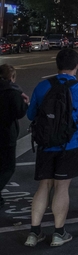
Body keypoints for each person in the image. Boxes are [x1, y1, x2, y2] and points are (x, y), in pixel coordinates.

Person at [25, 49, 78, 247]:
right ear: (77, 65)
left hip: (45, 144)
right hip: (70, 144)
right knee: (62, 187)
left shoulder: (42, 86)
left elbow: (31, 115)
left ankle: (34, 232)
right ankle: (58, 232)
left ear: (57, 64)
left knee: (44, 185)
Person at [0, 65, 29, 207]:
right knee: (8, 167)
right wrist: (26, 103)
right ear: (12, 77)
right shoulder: (13, 92)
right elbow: (19, 112)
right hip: (6, 134)